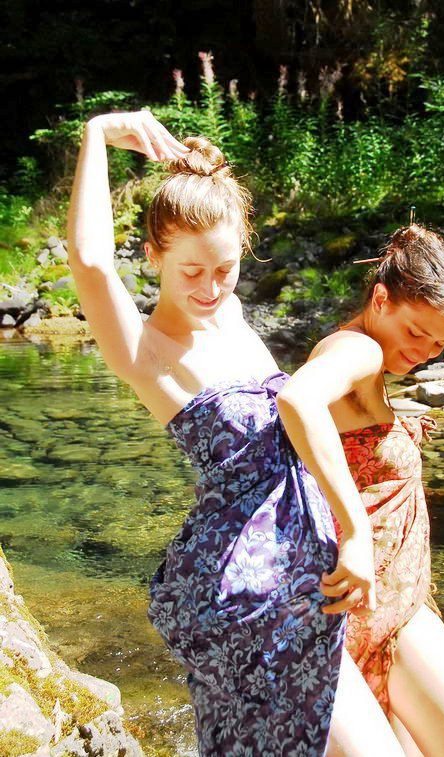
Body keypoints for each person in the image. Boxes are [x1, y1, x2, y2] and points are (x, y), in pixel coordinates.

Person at [66, 110, 405, 756]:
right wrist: (98, 134)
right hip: (247, 591)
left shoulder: (233, 315)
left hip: (301, 570)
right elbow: (89, 260)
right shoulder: (147, 352)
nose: (210, 287)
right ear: (152, 255)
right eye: (191, 271)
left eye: (224, 269)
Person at [277, 225, 444, 757]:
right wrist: (356, 532)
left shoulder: (366, 358)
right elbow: (298, 399)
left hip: (374, 607)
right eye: (415, 332)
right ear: (380, 299)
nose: (424, 352)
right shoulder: (359, 349)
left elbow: (347, 437)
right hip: (378, 609)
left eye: (439, 344)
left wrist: (397, 433)